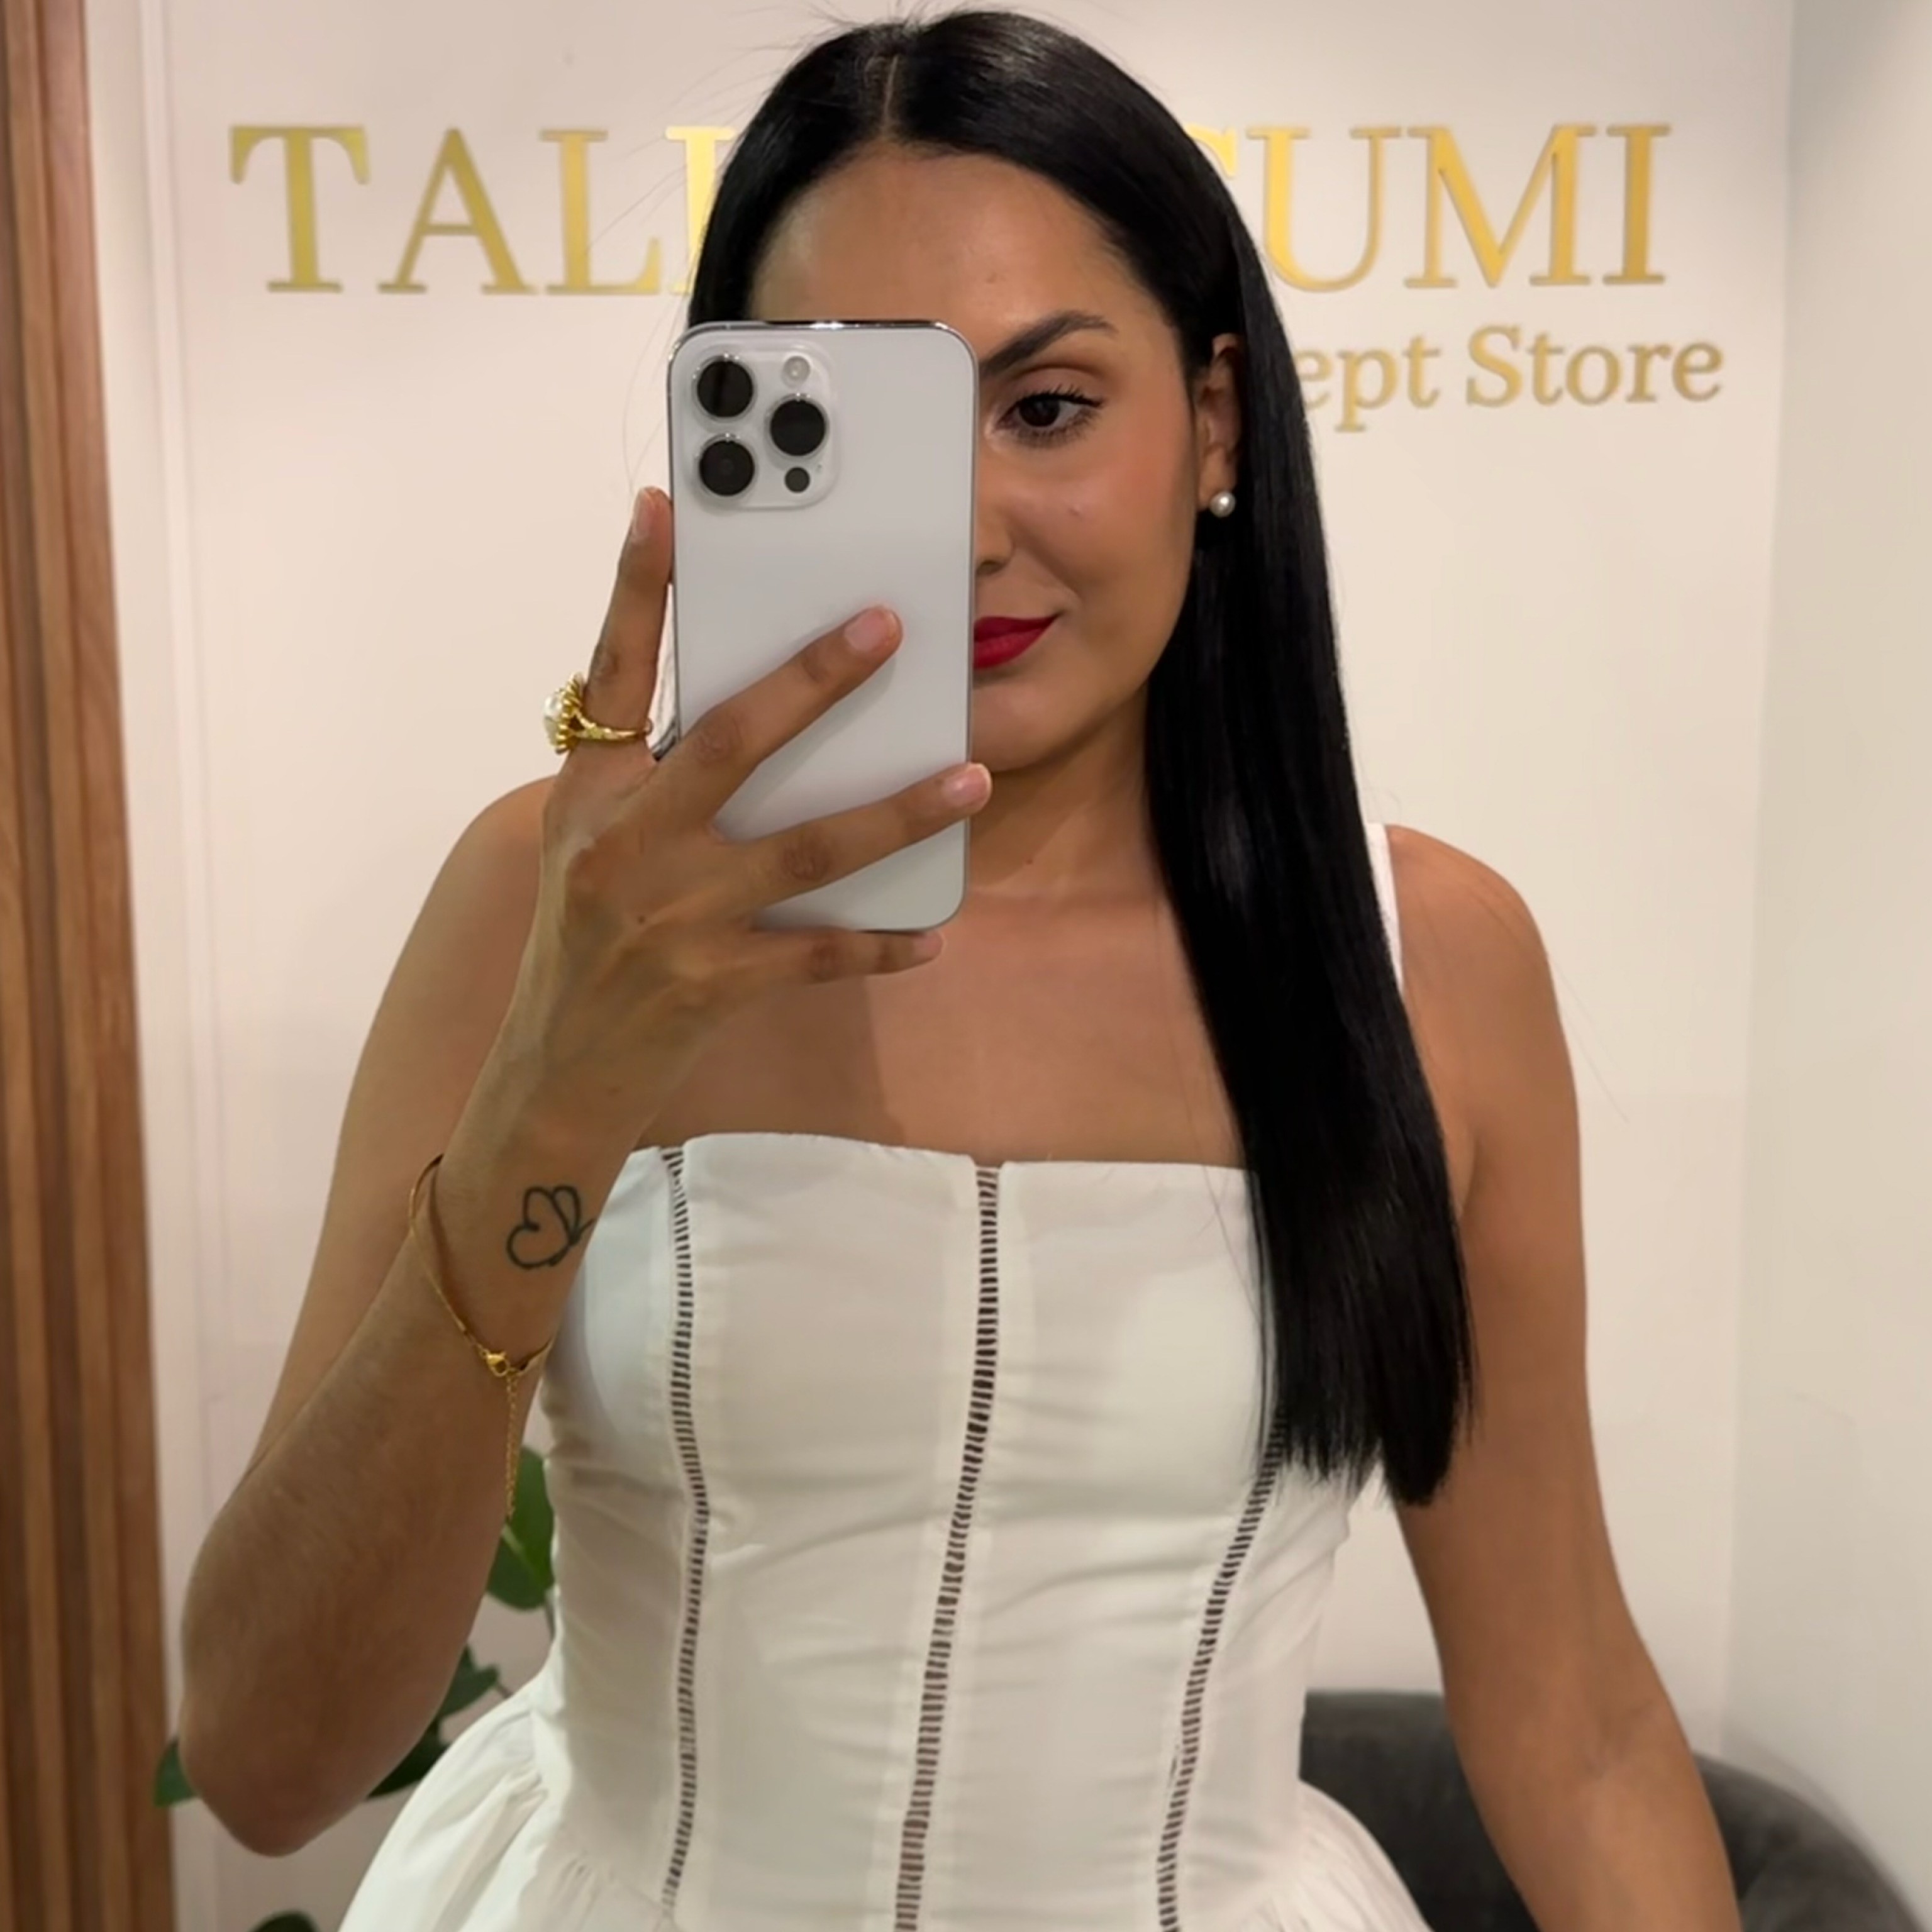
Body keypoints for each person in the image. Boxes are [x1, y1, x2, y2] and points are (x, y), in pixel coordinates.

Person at [175, 12, 1743, 1928]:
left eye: (1048, 408)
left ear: (1218, 423)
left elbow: (1576, 1727)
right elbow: (267, 1757)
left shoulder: (1429, 967)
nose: (966, 529)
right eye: (862, 431)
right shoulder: (551, 905)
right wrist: (555, 1095)